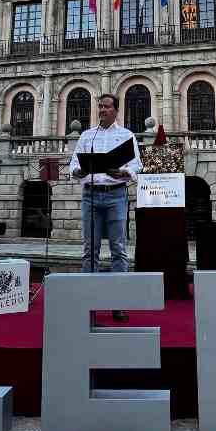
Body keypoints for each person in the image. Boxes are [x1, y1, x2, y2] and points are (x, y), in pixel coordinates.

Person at [68, 92, 143, 322]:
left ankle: (118, 303)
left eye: (106, 107)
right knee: (90, 251)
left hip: (116, 196)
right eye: (99, 106)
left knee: (118, 250)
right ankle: (87, 304)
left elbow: (137, 165)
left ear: (115, 110)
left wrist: (125, 172)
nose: (101, 110)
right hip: (90, 196)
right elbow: (73, 165)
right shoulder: (87, 136)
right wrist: (78, 171)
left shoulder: (126, 135)